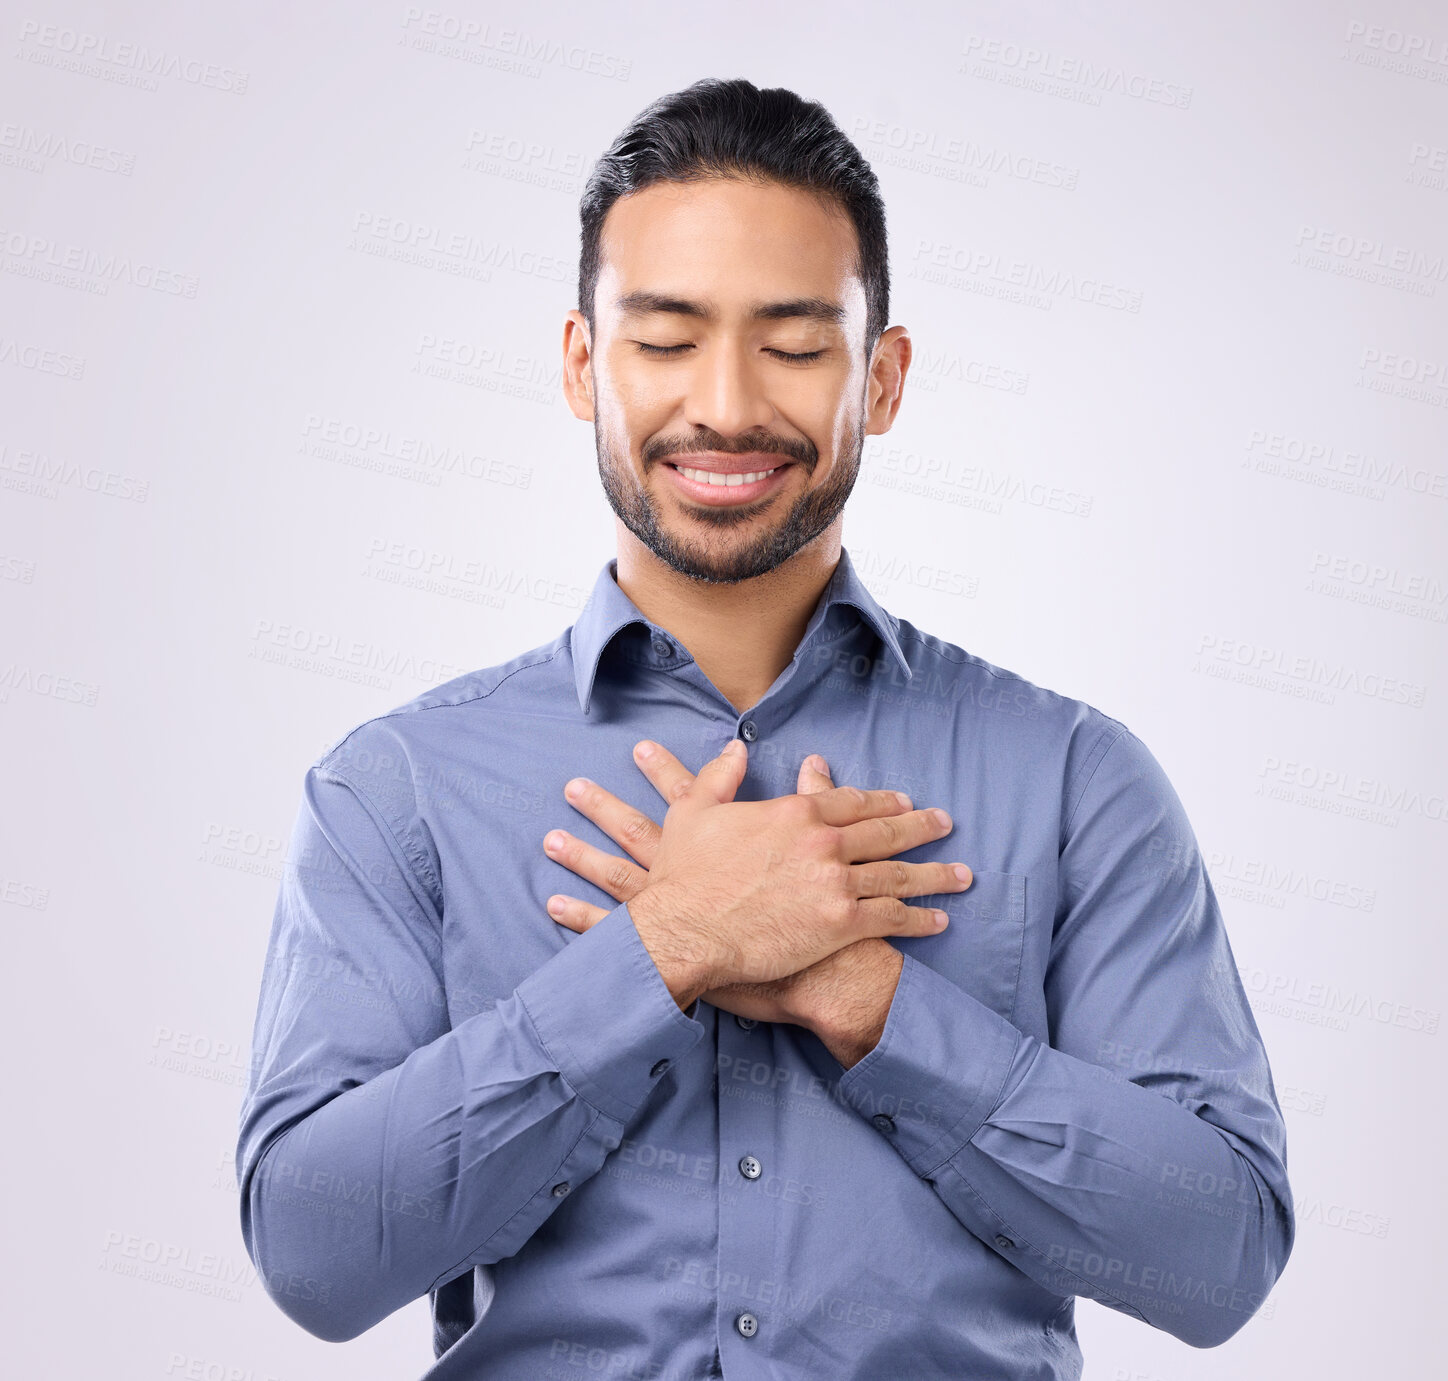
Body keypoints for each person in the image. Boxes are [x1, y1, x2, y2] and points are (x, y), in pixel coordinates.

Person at [236, 78, 1293, 1380]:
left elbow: (1220, 1256)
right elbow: (314, 1255)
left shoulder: (1077, 780)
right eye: (666, 339)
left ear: (885, 375)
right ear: (582, 364)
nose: (726, 405)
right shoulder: (394, 788)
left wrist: (876, 1005)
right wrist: (666, 947)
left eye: (794, 344)